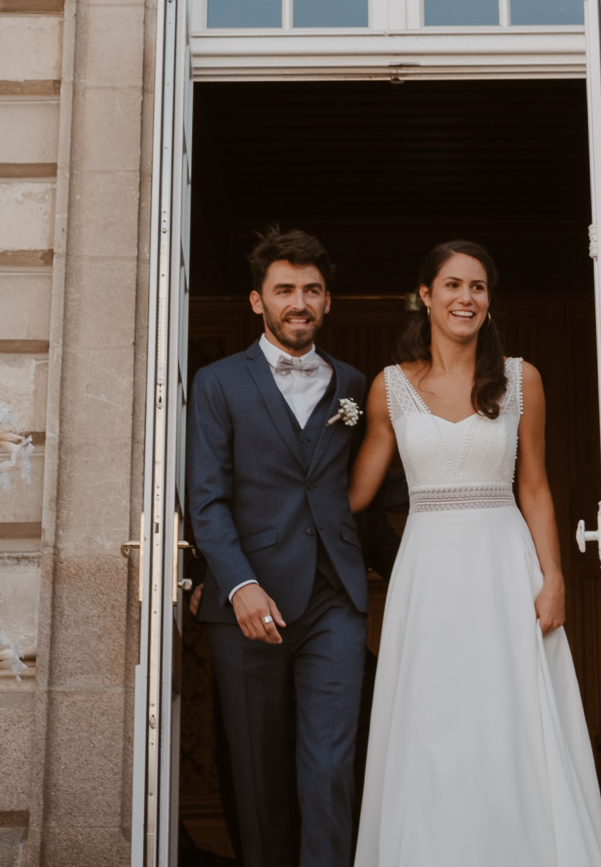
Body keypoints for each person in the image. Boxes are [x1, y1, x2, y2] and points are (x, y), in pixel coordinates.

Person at [349, 241, 601, 866]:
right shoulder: (390, 387)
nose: (465, 297)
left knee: (509, 717)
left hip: (503, 564)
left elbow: (536, 486)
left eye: (478, 287)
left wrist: (554, 578)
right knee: (432, 719)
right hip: (428, 572)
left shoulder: (522, 379)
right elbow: (355, 493)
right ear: (426, 295)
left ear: (489, 302)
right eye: (452, 285)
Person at [186, 228, 372, 867]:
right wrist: (235, 582)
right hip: (248, 600)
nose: (300, 302)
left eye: (312, 290)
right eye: (285, 290)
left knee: (330, 764)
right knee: (257, 769)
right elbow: (204, 499)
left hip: (333, 599)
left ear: (328, 303)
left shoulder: (353, 383)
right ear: (256, 301)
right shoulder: (216, 383)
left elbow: (380, 488)